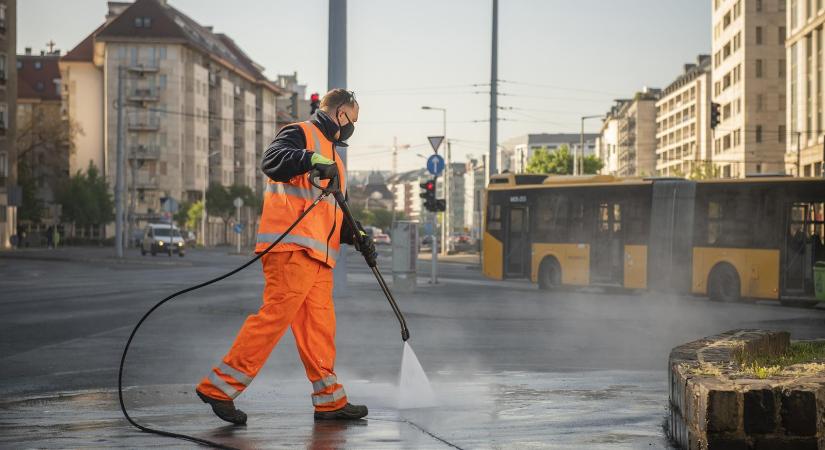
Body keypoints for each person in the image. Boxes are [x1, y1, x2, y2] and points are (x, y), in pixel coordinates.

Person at [195, 89, 377, 424]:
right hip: (291, 249)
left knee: (320, 328)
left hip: (319, 259)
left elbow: (336, 212)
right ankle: (218, 388)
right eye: (352, 120)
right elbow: (272, 161)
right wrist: (310, 159)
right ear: (339, 115)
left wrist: (359, 235)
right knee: (274, 319)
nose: (352, 128)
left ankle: (329, 401)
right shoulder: (300, 133)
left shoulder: (335, 160)